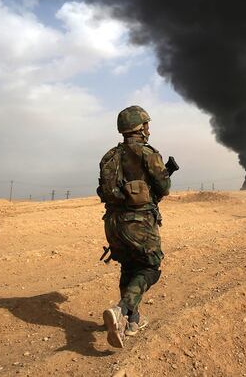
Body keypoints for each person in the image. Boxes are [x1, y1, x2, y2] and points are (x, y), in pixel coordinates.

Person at [99, 105, 175, 348]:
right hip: (138, 222)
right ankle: (122, 309)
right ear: (139, 127)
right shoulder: (147, 154)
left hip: (112, 223)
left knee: (130, 266)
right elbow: (163, 189)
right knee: (151, 267)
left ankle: (131, 321)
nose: (148, 129)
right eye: (146, 125)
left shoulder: (109, 156)